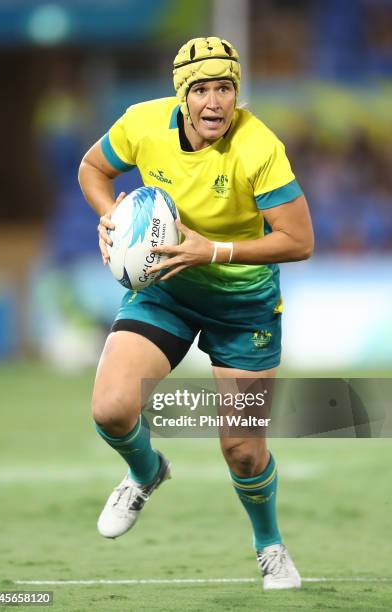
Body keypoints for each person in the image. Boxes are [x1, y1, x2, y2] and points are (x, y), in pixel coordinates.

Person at [78, 36, 314, 591]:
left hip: (244, 303)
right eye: (202, 89)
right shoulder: (141, 123)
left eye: (226, 88)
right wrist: (115, 219)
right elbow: (93, 168)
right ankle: (145, 472)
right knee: (112, 410)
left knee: (243, 450)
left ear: (237, 93)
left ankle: (269, 545)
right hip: (167, 286)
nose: (215, 103)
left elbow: (299, 240)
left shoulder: (260, 147)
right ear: (181, 95)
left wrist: (214, 249)